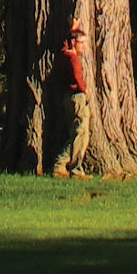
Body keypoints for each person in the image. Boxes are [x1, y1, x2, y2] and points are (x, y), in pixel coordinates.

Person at [51, 17, 91, 175]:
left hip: (67, 97)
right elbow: (77, 77)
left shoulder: (64, 54)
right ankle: (75, 168)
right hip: (77, 96)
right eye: (82, 43)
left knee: (75, 133)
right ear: (74, 43)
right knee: (81, 133)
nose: (84, 47)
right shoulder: (74, 59)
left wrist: (72, 30)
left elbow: (64, 44)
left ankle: (60, 164)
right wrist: (84, 91)